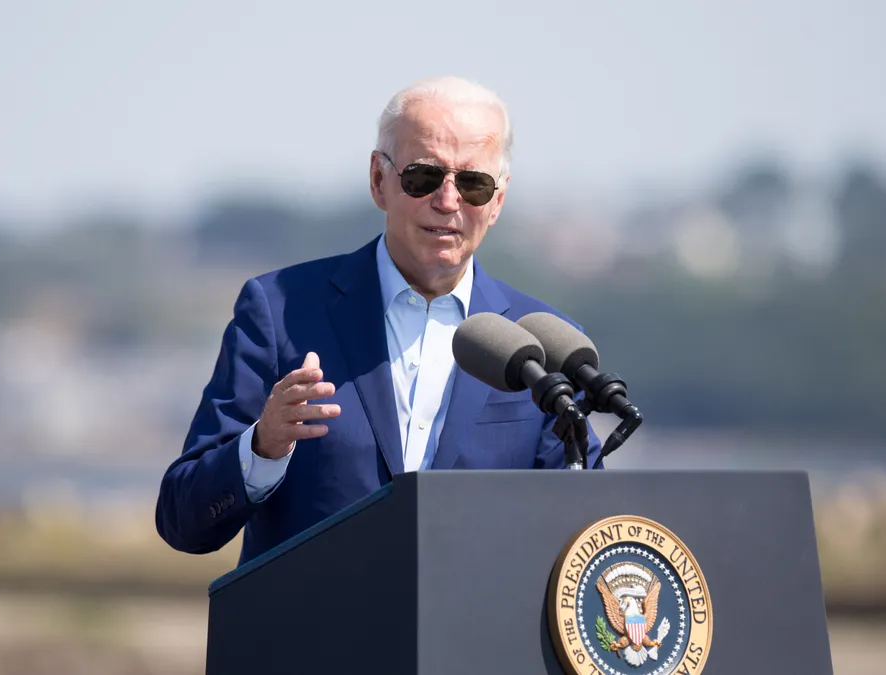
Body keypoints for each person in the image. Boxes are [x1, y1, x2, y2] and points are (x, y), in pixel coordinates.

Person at [155, 76, 603, 565]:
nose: (448, 201)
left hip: (473, 636)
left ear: (497, 201)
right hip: (316, 637)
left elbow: (583, 535)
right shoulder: (279, 309)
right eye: (423, 177)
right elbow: (184, 519)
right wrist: (262, 446)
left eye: (473, 184)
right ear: (378, 180)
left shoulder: (542, 342)